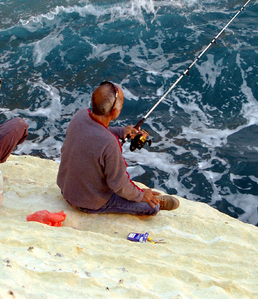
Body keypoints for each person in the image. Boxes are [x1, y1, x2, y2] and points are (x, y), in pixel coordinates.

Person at [57, 81, 179, 215]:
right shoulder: (110, 143)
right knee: (151, 208)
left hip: (67, 189)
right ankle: (156, 202)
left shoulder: (80, 115)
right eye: (121, 104)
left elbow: (94, 131)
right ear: (114, 111)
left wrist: (121, 131)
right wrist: (141, 194)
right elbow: (120, 185)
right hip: (89, 202)